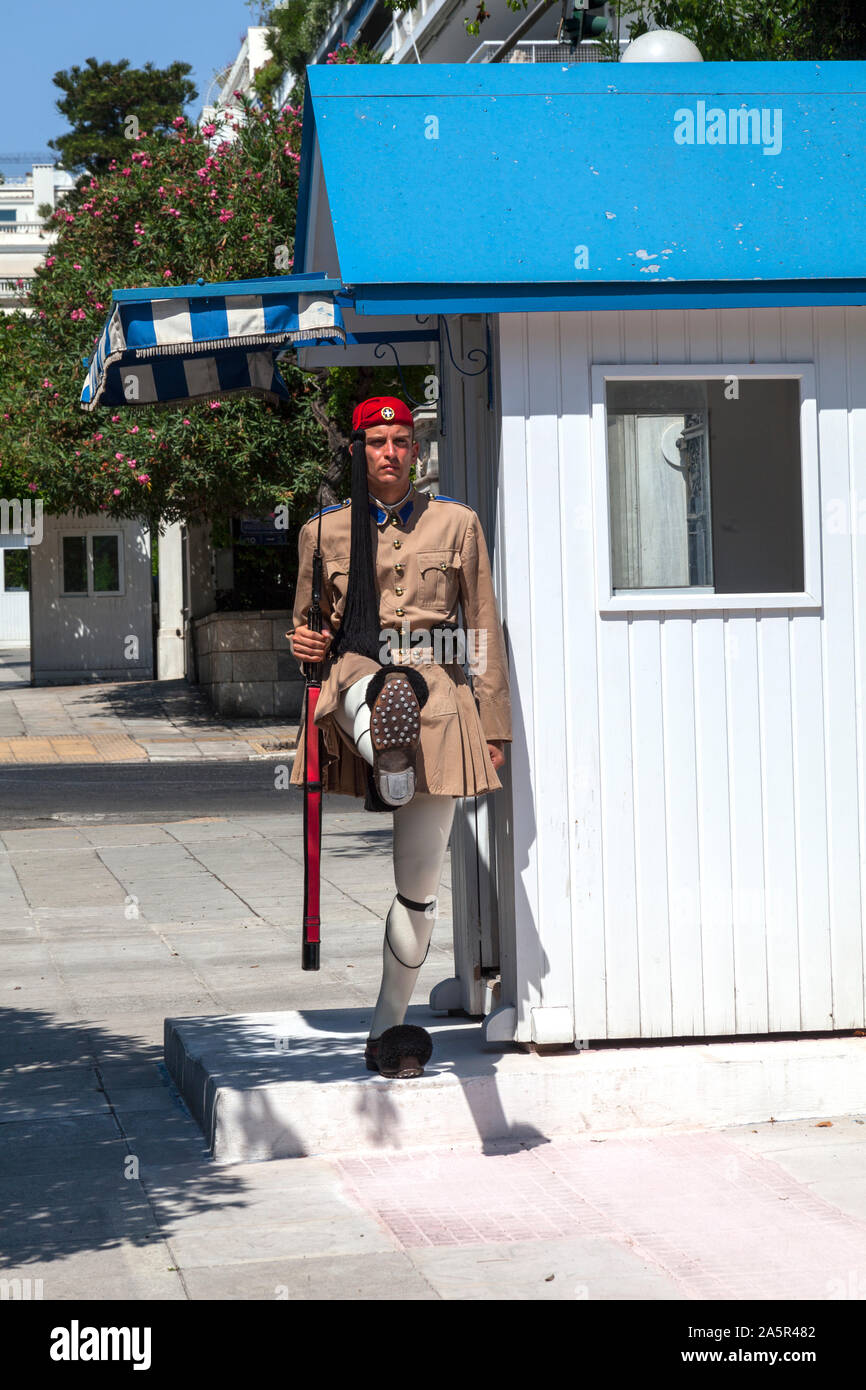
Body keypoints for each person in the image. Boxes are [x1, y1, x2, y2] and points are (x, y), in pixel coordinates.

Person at [290, 395, 511, 1078]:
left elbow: (481, 632)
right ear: (357, 450)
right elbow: (304, 635)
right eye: (379, 441)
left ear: (415, 450)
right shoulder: (322, 532)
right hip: (358, 674)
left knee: (418, 888)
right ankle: (382, 732)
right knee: (371, 689)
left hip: (440, 703)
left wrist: (494, 725)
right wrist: (302, 643)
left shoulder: (458, 524)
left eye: (403, 440)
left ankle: (388, 1028)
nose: (392, 451)